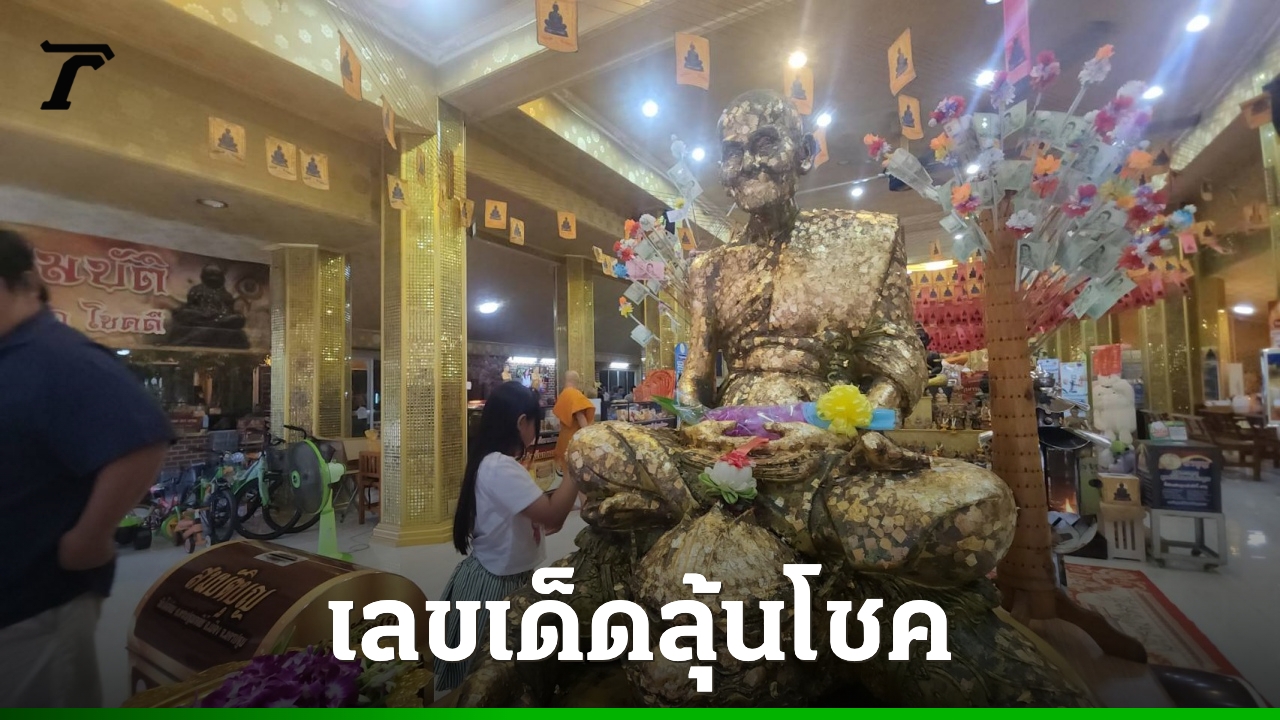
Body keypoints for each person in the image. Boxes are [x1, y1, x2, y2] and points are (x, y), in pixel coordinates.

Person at [0, 230, 174, 707]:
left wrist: (89, 538)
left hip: (33, 605)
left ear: (23, 284)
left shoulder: (57, 357)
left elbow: (141, 438)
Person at [435, 381, 579, 692]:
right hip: (496, 586)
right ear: (521, 422)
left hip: (499, 574)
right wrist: (577, 465)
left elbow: (543, 519)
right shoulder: (500, 467)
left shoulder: (492, 462)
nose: (535, 432)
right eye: (535, 424)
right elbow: (553, 515)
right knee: (490, 683)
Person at [551, 370, 595, 474]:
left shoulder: (562, 395)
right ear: (577, 381)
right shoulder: (574, 394)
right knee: (575, 476)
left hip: (563, 439)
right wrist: (590, 436)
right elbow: (580, 417)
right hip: (574, 440)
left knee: (566, 474)